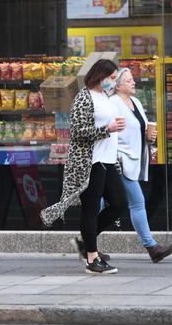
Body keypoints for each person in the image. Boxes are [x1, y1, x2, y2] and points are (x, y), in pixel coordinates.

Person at [40, 59, 128, 274]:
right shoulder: (84, 97)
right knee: (90, 209)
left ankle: (86, 242)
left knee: (119, 204)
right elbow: (79, 132)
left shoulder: (105, 97)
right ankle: (91, 259)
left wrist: (114, 128)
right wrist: (108, 129)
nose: (113, 83)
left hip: (107, 161)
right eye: (112, 78)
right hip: (90, 163)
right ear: (101, 76)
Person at [109, 67, 172, 263]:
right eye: (129, 80)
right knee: (137, 202)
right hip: (119, 161)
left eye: (133, 79)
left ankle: (85, 242)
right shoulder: (113, 103)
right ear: (118, 85)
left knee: (104, 205)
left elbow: (142, 127)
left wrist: (150, 136)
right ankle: (152, 247)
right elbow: (109, 131)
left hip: (134, 158)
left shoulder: (135, 102)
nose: (133, 82)